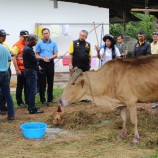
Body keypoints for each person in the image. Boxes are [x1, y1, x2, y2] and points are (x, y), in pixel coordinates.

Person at [36, 28, 58, 105]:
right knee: (42, 82)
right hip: (42, 63)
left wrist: (49, 58)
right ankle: (42, 99)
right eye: (44, 33)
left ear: (49, 34)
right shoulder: (39, 43)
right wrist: (42, 58)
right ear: (42, 35)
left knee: (50, 81)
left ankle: (50, 98)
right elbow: (36, 54)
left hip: (50, 63)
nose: (46, 35)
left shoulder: (54, 43)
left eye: (47, 33)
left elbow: (55, 54)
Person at [23, 34, 44, 114]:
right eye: (34, 40)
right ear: (30, 40)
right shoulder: (28, 49)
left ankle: (31, 106)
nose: (36, 41)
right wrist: (40, 59)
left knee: (30, 90)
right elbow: (34, 60)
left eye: (36, 39)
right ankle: (32, 109)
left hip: (29, 71)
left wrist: (38, 66)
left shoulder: (28, 48)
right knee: (33, 90)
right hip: (31, 72)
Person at [12, 30, 29, 108]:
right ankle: (19, 102)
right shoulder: (17, 45)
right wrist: (17, 69)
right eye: (24, 37)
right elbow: (13, 57)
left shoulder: (27, 44)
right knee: (20, 86)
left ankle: (27, 100)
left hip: (27, 69)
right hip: (21, 69)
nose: (25, 38)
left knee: (27, 86)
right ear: (20, 36)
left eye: (26, 37)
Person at [0, 43, 15, 120]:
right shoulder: (5, 48)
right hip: (5, 73)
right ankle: (11, 115)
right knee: (7, 94)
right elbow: (9, 58)